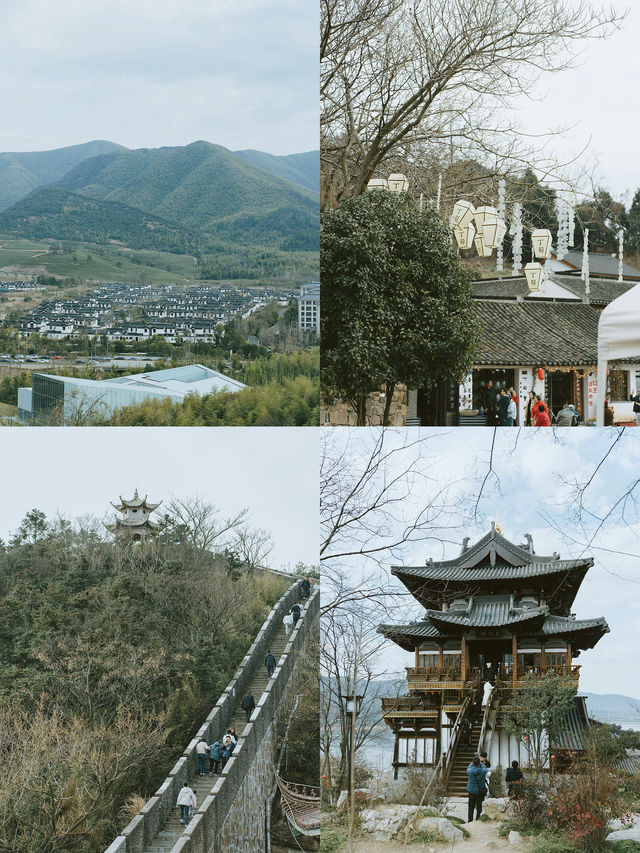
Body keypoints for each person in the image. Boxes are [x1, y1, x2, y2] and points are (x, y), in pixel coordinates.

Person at [466, 756, 488, 822]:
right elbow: (485, 767)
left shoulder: (469, 771)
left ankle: (470, 820)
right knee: (479, 807)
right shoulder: (483, 771)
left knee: (471, 807)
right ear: (479, 763)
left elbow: (469, 766)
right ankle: (478, 820)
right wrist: (481, 763)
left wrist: (473, 762)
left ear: (473, 763)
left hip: (471, 791)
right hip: (480, 791)